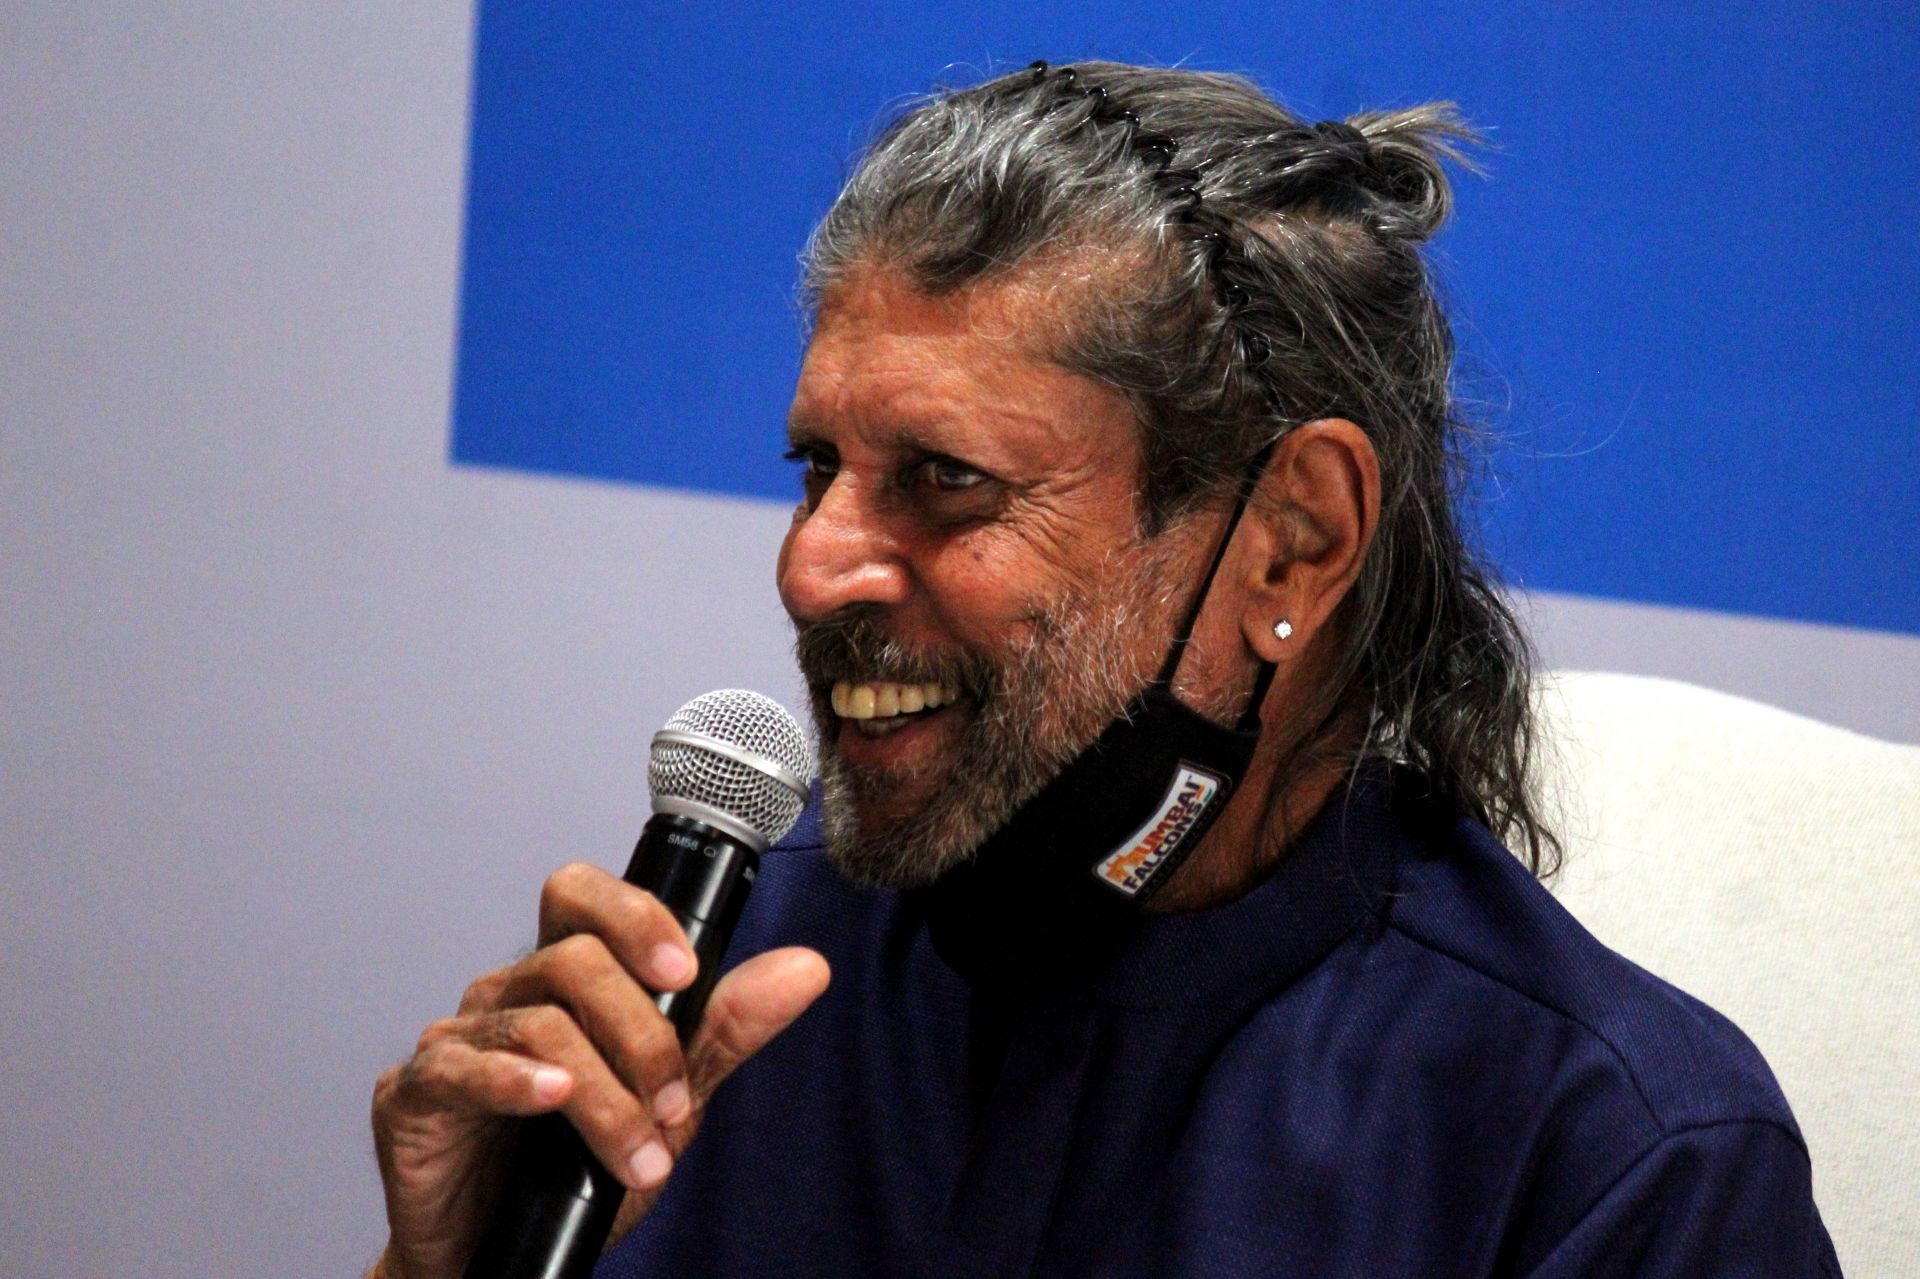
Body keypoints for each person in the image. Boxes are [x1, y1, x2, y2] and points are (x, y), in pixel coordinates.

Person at [368, 61, 1840, 1277]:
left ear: (1290, 545)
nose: (810, 566)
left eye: (945, 479)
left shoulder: (1615, 1161)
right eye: (820, 467)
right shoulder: (728, 978)